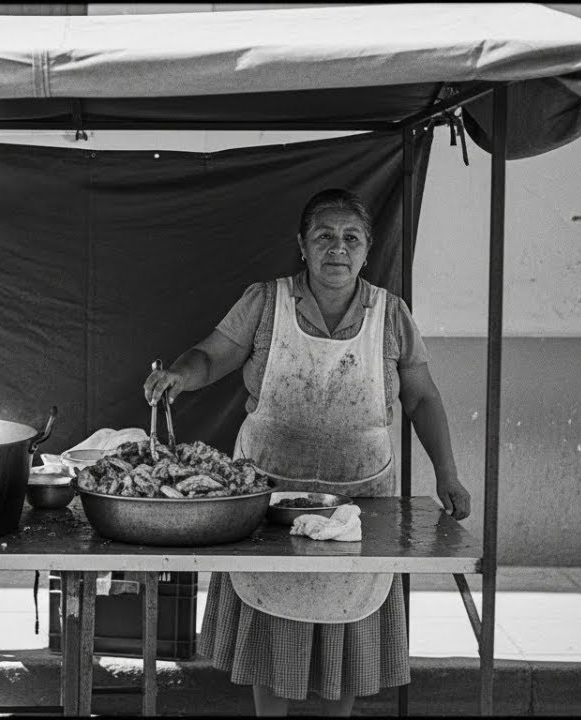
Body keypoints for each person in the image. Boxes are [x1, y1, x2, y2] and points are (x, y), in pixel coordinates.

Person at [144, 188, 471, 717]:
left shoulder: (391, 315)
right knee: (275, 631)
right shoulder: (265, 302)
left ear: (367, 249)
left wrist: (447, 475)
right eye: (324, 236)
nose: (337, 248)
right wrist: (180, 375)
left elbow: (422, 397)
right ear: (302, 245)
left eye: (351, 238)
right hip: (269, 500)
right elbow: (211, 355)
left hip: (359, 508)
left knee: (346, 630)